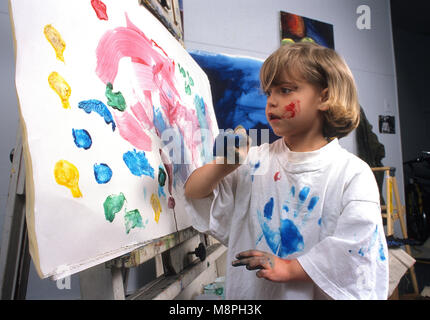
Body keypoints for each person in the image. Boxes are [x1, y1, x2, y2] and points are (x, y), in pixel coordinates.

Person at [184, 42, 389, 300]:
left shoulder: (352, 173)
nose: (271, 102)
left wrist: (291, 268)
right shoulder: (255, 161)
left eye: (285, 90)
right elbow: (195, 193)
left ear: (324, 97)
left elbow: (357, 251)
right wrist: (223, 165)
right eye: (269, 92)